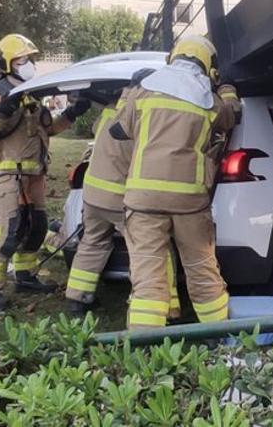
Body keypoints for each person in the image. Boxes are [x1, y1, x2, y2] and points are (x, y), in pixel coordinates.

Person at [109, 34, 240, 329]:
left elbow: (117, 130)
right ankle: (217, 335)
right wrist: (228, 89)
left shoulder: (145, 90)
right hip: (189, 202)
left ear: (174, 56)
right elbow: (233, 116)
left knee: (148, 275)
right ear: (208, 66)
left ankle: (146, 347)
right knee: (202, 268)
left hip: (144, 200)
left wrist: (130, 91)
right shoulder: (211, 101)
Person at [0, 34, 92, 310]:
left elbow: (47, 129)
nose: (28, 64)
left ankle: (26, 275)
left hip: (34, 174)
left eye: (30, 59)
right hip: (8, 174)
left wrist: (73, 113)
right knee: (7, 229)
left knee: (36, 227)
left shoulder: (32, 92)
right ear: (7, 62)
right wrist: (3, 110)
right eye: (22, 60)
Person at [63, 69, 181, 319]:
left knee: (93, 242)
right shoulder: (143, 114)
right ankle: (167, 307)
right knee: (149, 249)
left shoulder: (111, 108)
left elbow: (98, 131)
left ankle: (77, 299)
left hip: (93, 194)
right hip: (121, 197)